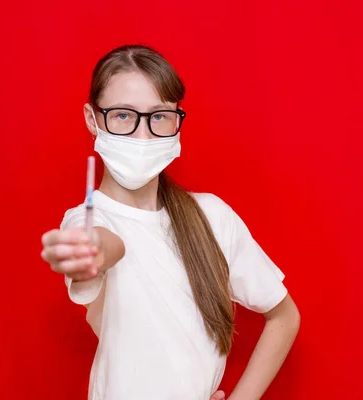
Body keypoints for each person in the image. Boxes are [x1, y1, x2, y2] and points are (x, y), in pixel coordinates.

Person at [40, 44, 300, 400]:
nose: (143, 136)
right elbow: (105, 245)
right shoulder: (89, 221)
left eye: (160, 116)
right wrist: (88, 253)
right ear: (92, 118)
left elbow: (284, 316)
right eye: (122, 116)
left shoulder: (212, 217)